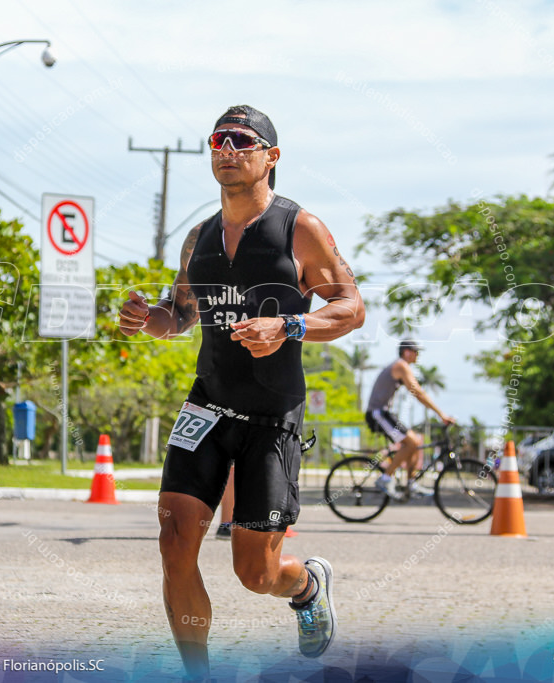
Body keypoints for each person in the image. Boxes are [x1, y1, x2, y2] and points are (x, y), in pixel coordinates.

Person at [118, 104, 365, 680]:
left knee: (255, 574)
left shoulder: (299, 230)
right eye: (218, 139)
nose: (227, 148)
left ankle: (305, 587)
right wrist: (144, 319)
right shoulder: (198, 238)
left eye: (243, 139)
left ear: (270, 157)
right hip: (206, 405)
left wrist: (289, 326)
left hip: (271, 415)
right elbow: (178, 317)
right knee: (174, 540)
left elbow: (350, 308)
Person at [365, 340, 455, 499]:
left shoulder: (401, 366)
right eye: (416, 352)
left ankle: (411, 483)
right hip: (378, 413)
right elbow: (418, 393)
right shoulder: (401, 366)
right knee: (411, 443)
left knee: (415, 442)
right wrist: (441, 415)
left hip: (384, 412)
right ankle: (385, 478)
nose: (418, 355)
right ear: (407, 352)